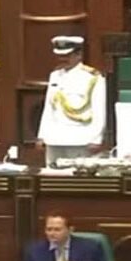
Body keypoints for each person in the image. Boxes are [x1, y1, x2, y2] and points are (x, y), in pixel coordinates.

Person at [36, 36, 106, 166]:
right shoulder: (55, 75)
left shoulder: (92, 77)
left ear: (79, 55)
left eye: (67, 55)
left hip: (80, 138)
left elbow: (98, 109)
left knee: (77, 174)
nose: (63, 59)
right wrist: (42, 135)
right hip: (54, 137)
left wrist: (96, 138)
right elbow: (49, 108)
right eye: (60, 56)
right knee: (52, 173)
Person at [23, 211, 108, 261]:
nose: (52, 233)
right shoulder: (34, 250)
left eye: (57, 230)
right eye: (49, 229)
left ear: (70, 230)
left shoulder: (90, 248)